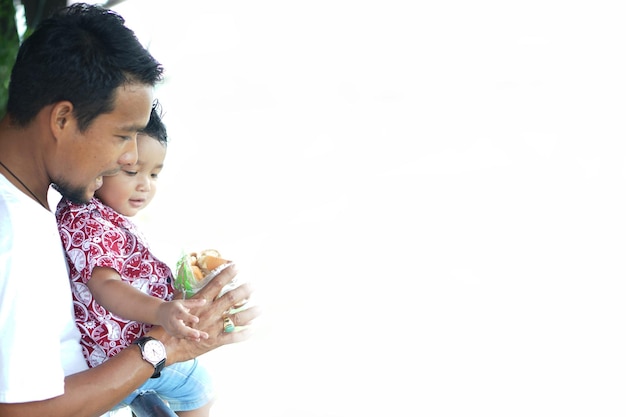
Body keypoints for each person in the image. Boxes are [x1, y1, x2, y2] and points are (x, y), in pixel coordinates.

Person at [0, 4, 259, 417]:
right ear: (63, 119)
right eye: (123, 136)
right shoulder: (13, 237)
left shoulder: (48, 198)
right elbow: (22, 412)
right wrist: (162, 347)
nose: (129, 158)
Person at [56, 103, 215, 416]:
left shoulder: (103, 215)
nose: (145, 184)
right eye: (132, 171)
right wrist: (161, 310)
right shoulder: (90, 221)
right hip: (123, 357)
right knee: (201, 389)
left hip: (127, 353)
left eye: (154, 173)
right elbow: (105, 286)